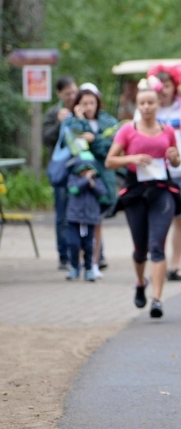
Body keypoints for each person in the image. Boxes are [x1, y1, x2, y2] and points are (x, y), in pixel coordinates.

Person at [106, 77, 181, 318]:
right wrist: (132, 159)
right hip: (136, 192)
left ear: (158, 103)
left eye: (151, 102)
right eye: (142, 103)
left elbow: (176, 160)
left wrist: (174, 156)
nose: (147, 107)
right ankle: (141, 282)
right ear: (137, 105)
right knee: (140, 249)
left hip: (161, 191)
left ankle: (157, 300)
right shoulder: (128, 130)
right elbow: (110, 161)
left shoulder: (168, 131)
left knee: (157, 245)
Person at [138, 67, 181, 282]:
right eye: (160, 86)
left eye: (168, 86)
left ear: (175, 87)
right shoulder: (147, 108)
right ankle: (156, 263)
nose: (164, 91)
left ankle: (175, 266)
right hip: (156, 172)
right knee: (156, 220)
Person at [59, 87, 119, 278]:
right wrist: (80, 121)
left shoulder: (108, 121)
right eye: (84, 103)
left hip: (100, 178)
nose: (88, 107)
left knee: (96, 221)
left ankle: (93, 263)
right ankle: (76, 264)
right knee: (76, 222)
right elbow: (71, 144)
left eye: (91, 103)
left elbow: (111, 147)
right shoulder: (72, 122)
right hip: (79, 179)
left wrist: (94, 140)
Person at [43, 76, 78, 269]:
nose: (72, 96)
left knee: (84, 212)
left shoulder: (83, 108)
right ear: (59, 95)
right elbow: (46, 139)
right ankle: (63, 256)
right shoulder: (54, 113)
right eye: (67, 94)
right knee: (62, 215)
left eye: (74, 92)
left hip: (80, 169)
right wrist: (58, 123)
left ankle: (83, 254)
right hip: (61, 171)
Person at [64, 153, 107, 281]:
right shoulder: (73, 178)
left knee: (89, 245)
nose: (86, 172)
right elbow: (74, 190)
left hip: (90, 218)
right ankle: (74, 267)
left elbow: (103, 194)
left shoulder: (97, 180)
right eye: (84, 169)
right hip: (74, 218)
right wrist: (85, 180)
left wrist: (92, 183)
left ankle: (88, 268)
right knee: (73, 243)